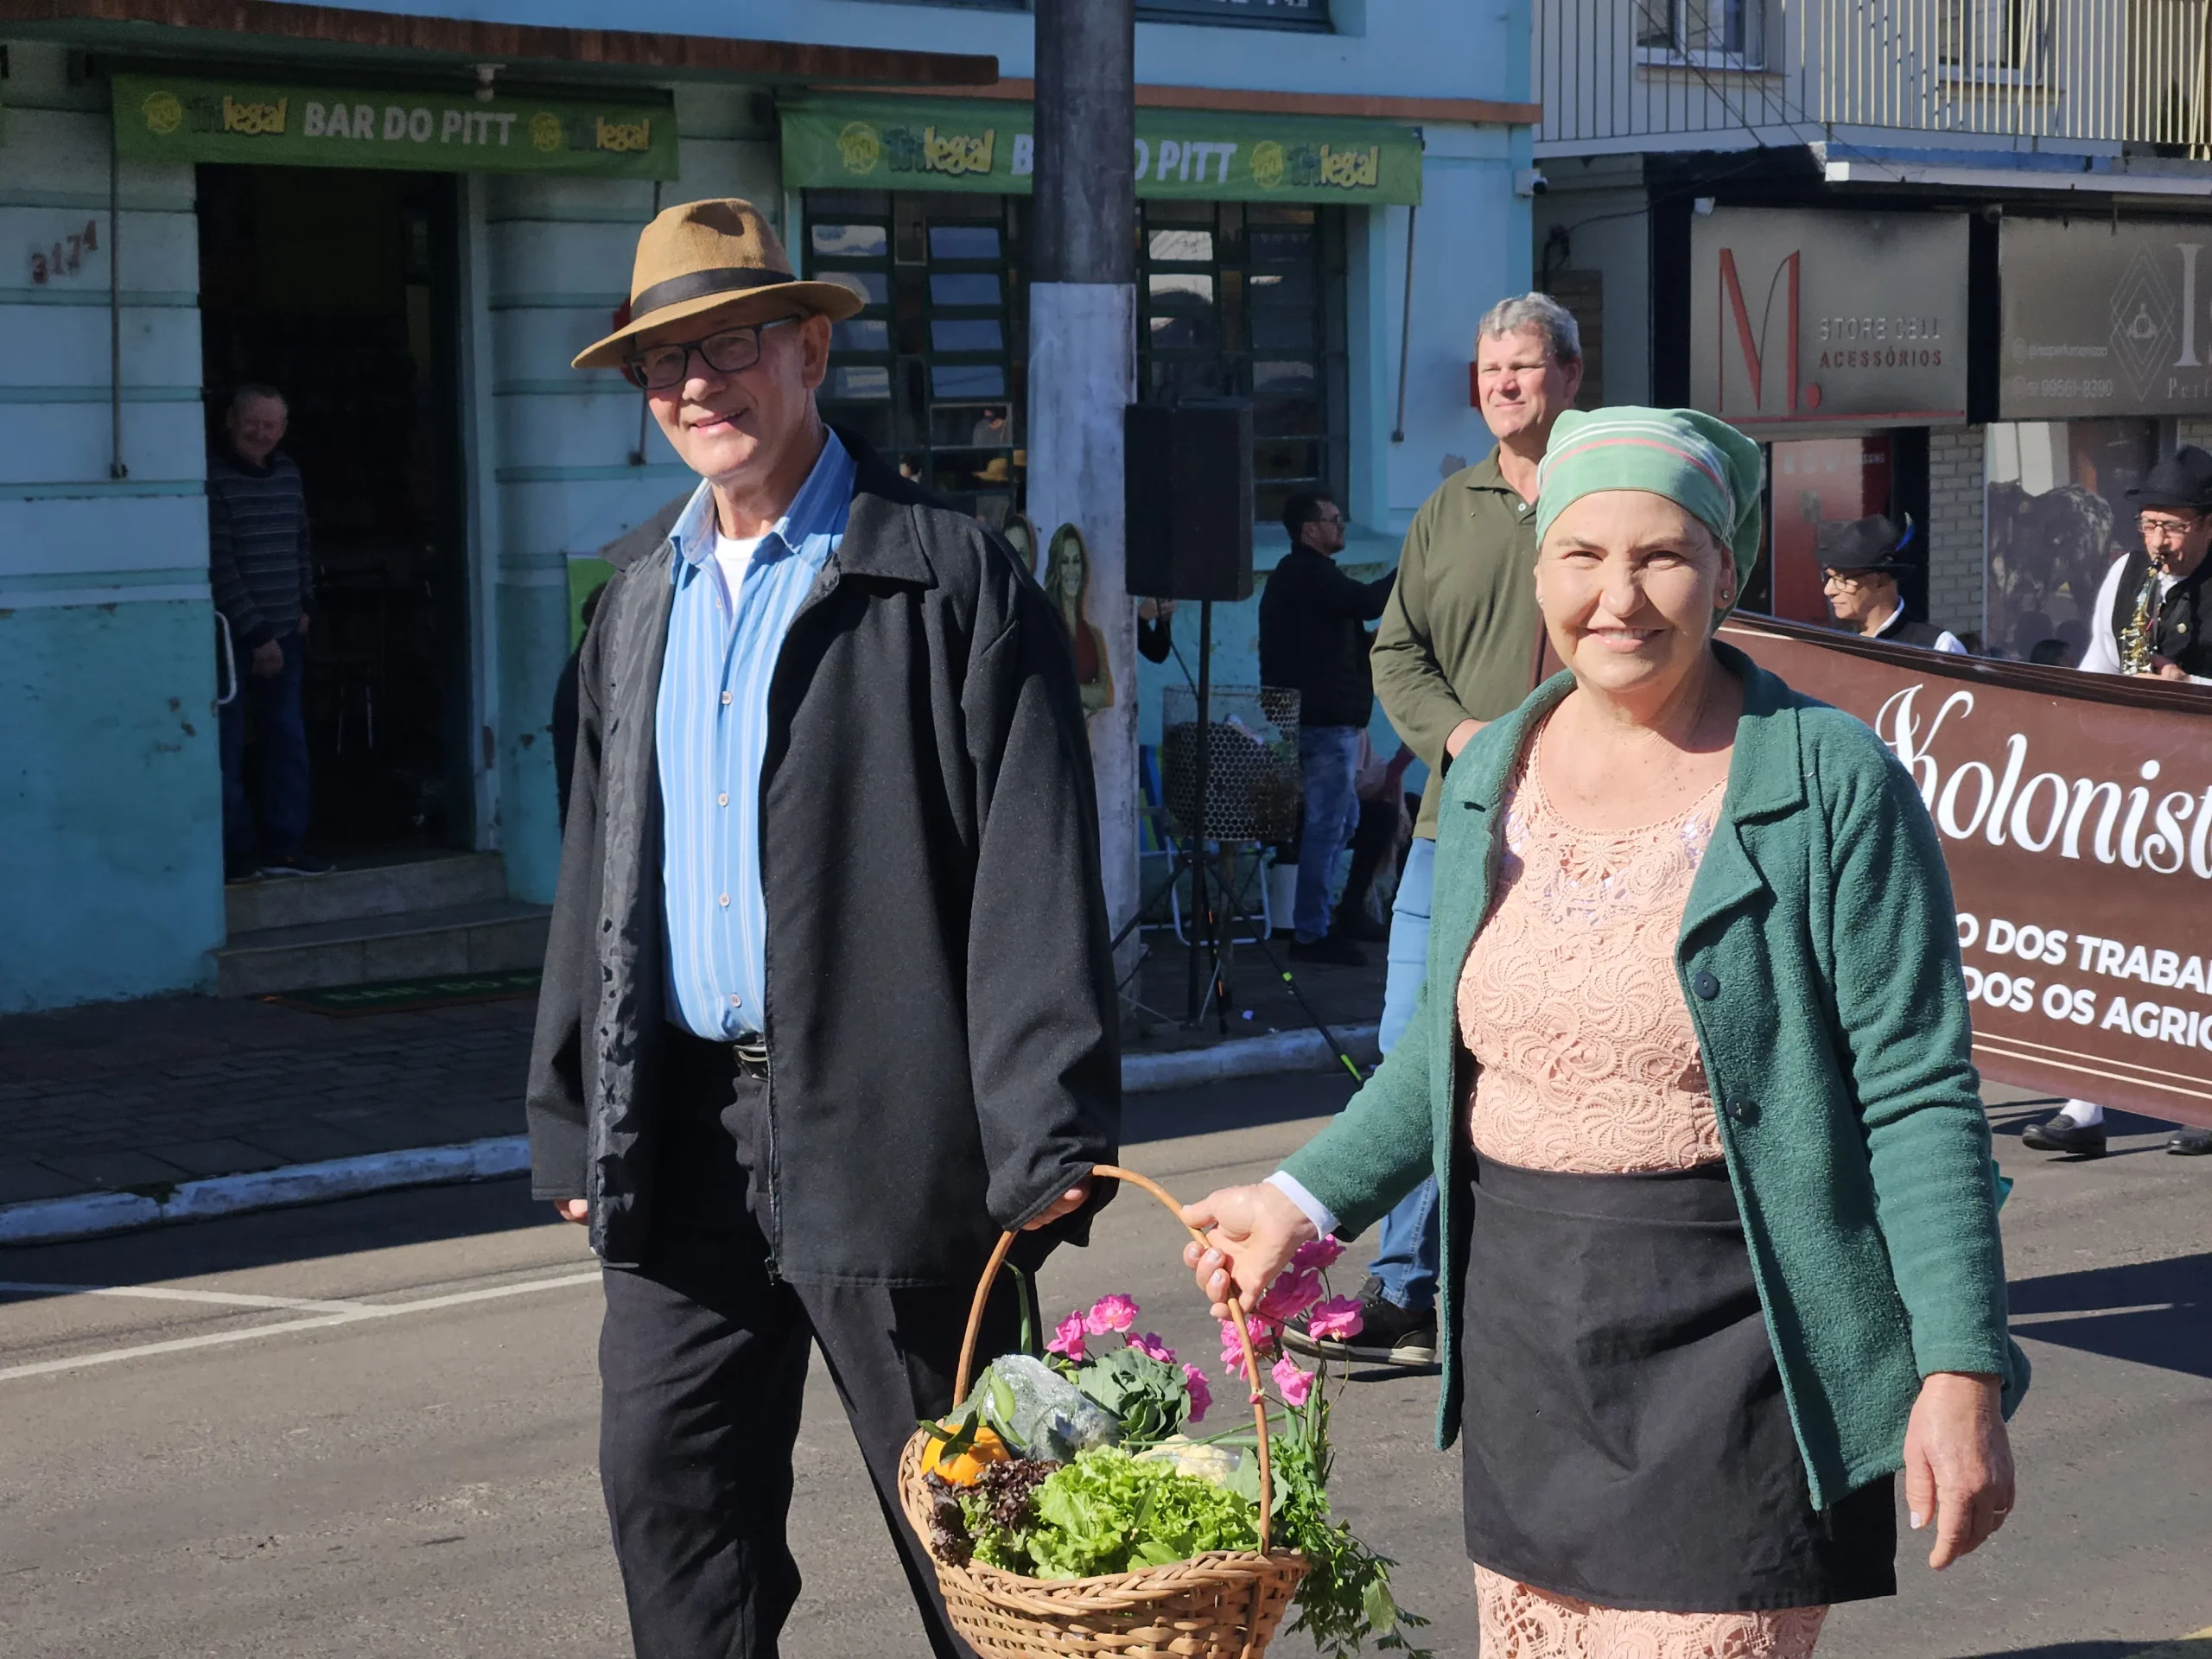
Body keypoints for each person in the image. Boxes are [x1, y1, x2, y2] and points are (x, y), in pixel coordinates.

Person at [1183, 405, 2027, 1657]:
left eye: (1662, 556)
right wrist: (1299, 1200)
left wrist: (1959, 1367)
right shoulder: (1493, 771)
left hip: (1739, 1340)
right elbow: (1448, 1054)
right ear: (1541, 575)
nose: (1617, 598)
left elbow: (1915, 1090)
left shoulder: (1829, 780)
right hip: (1529, 1339)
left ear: (1726, 574)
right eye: (1582, 555)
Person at [528, 198, 1119, 1659]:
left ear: (808, 349)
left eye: (729, 345)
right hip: (681, 1138)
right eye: (663, 364)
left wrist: (1047, 1125)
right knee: (672, 1504)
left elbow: (1034, 863)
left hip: (896, 1130)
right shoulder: (634, 599)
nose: (696, 386)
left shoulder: (947, 576)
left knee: (981, 1543)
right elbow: (599, 871)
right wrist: (573, 1107)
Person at [1289, 294, 1580, 1368]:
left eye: (1524, 366)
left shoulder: (1610, 494)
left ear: (1569, 375)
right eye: (1489, 369)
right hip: (1449, 832)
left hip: (1584, 837)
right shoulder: (1446, 510)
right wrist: (1458, 738)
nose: (1503, 384)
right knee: (1411, 1046)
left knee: (1559, 1062)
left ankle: (1499, 1285)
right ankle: (1411, 1285)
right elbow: (1396, 653)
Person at [2026, 446, 2212, 1158]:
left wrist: (2191, 689)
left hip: (2202, 788)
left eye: (2175, 527)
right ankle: (2085, 1106)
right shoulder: (2127, 575)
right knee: (2106, 936)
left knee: (2194, 945)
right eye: (2150, 525)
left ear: (2208, 525)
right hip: (2132, 783)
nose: (2159, 542)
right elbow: (2101, 662)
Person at [1259, 491, 1395, 965]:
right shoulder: (1307, 574)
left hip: (1325, 722)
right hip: (1323, 724)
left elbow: (1328, 640)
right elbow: (1365, 601)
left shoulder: (1305, 578)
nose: (1341, 525)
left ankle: (1321, 920)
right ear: (1309, 529)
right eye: (1334, 519)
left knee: (1345, 821)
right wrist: (1411, 569)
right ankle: (1311, 933)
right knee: (1327, 826)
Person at [209, 384, 331, 881]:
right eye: (252, 423)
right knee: (226, 746)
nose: (261, 434)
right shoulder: (213, 479)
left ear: (283, 429)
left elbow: (301, 541)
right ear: (230, 421)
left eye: (271, 425)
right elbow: (219, 565)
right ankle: (236, 852)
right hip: (234, 640)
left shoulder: (288, 472)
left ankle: (284, 847)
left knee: (287, 740)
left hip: (286, 631)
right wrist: (257, 634)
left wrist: (305, 604)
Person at [1818, 514, 1968, 653]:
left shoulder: (1938, 646)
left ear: (1881, 581)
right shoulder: (1835, 644)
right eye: (1829, 577)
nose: (1829, 590)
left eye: (1842, 580)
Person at [1332, 734, 1414, 943]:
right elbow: (1353, 790)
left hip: (1347, 811)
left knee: (1413, 806)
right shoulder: (1336, 732)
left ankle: (1401, 903)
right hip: (1323, 816)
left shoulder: (1358, 732)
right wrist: (1401, 760)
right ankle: (1352, 907)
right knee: (1382, 817)